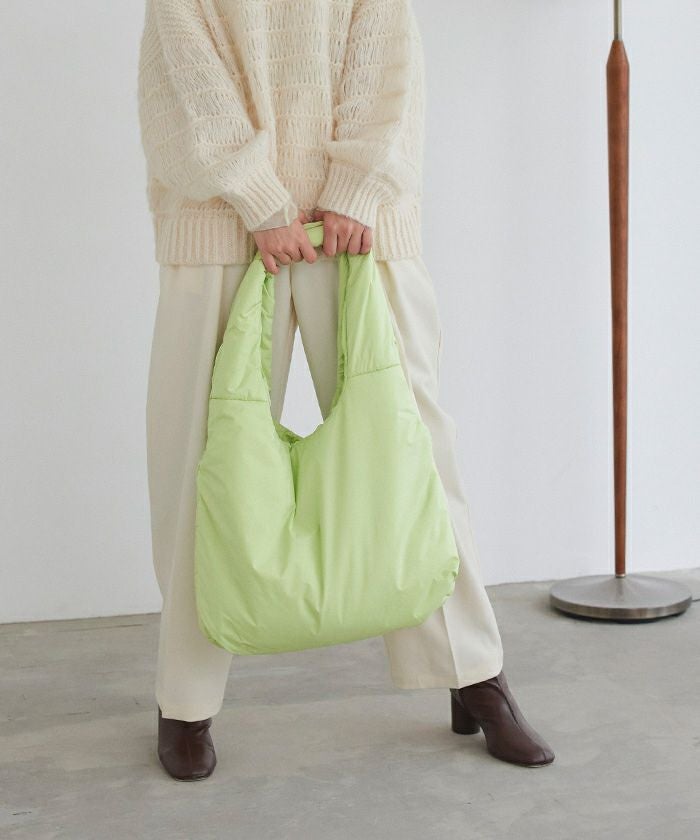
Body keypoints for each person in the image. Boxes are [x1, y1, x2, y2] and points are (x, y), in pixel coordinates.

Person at [137, 0, 555, 780]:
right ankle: (184, 700)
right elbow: (187, 80)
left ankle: (475, 676)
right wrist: (260, 200)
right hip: (220, 226)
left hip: (358, 228)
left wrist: (357, 190)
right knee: (198, 465)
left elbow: (388, 66)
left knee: (415, 457)